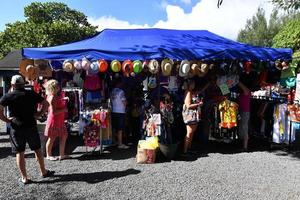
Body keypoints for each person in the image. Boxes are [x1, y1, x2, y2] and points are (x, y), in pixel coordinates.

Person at [0, 75, 54, 184]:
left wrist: (6, 120)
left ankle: (24, 178)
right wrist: (39, 114)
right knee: (37, 149)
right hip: (30, 124)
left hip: (16, 126)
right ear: (24, 83)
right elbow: (46, 103)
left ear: (12, 84)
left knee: (20, 152)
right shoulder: (31, 94)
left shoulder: (8, 96)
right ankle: (43, 171)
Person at [44, 79, 69, 161]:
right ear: (54, 88)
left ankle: (62, 154)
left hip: (58, 120)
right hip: (54, 120)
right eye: (57, 87)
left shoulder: (52, 96)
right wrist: (64, 110)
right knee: (52, 138)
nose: (59, 88)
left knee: (63, 136)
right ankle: (48, 155)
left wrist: (63, 99)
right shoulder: (52, 97)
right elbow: (54, 112)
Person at [182, 79, 205, 154]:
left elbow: (201, 91)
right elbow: (188, 105)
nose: (194, 84)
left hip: (193, 114)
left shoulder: (191, 92)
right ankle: (185, 150)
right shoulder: (188, 92)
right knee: (189, 132)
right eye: (192, 83)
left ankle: (189, 148)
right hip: (190, 114)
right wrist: (198, 104)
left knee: (192, 132)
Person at [111, 78, 129, 149]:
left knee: (114, 127)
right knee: (120, 128)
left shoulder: (112, 91)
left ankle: (114, 141)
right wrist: (126, 104)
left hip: (114, 110)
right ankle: (120, 143)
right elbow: (124, 102)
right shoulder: (121, 92)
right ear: (119, 83)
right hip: (120, 111)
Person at [238, 81, 251, 151]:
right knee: (241, 128)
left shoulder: (247, 92)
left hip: (245, 113)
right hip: (240, 112)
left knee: (244, 128)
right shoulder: (243, 93)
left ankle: (245, 147)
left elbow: (241, 86)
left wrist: (236, 80)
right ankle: (242, 145)